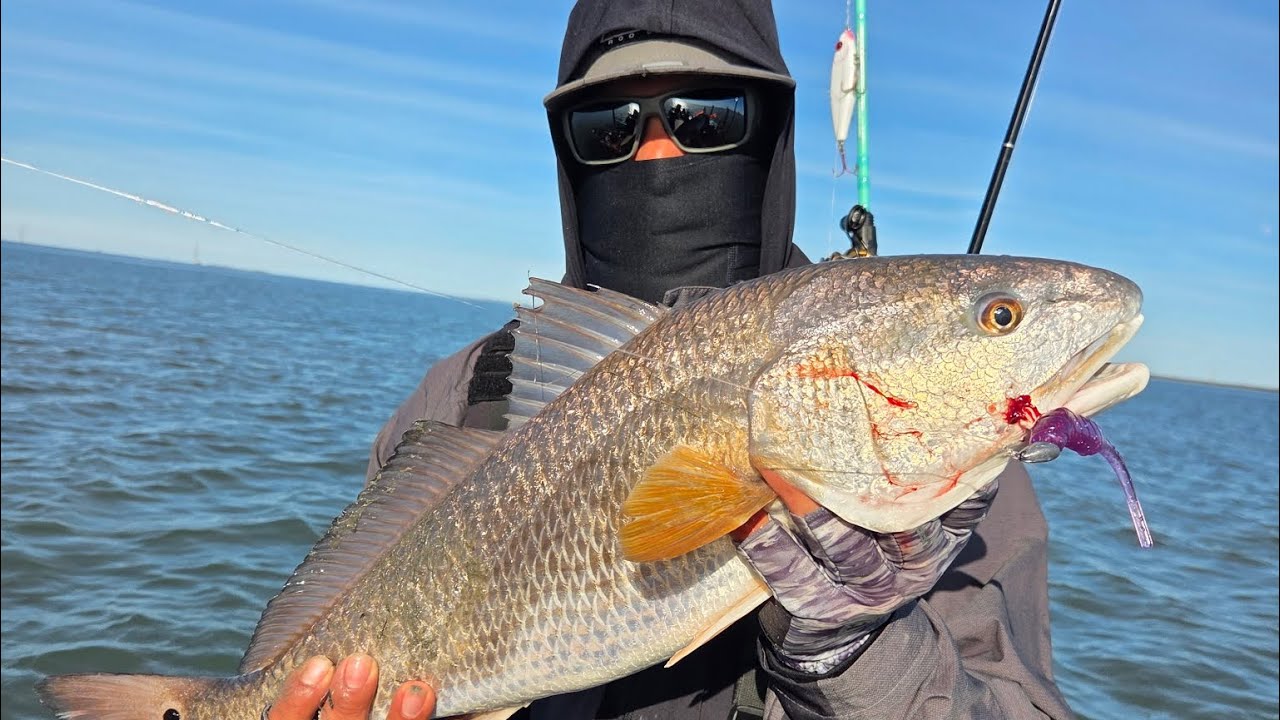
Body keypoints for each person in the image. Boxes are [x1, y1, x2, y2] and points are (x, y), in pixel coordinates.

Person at [268, 1, 1079, 718]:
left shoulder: (953, 463)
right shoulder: (459, 398)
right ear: (566, 155)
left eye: (707, 116)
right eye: (608, 128)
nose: (656, 158)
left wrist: (860, 653)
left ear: (773, 137)